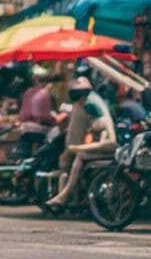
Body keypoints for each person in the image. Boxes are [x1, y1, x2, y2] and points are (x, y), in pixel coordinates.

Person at [45, 76, 116, 207]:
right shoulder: (93, 104)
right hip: (101, 147)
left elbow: (109, 144)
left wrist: (79, 148)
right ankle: (68, 195)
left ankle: (64, 195)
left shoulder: (104, 120)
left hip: (111, 149)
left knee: (80, 156)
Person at [16, 65, 58, 157]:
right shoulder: (47, 93)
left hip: (25, 128)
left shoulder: (28, 92)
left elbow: (22, 114)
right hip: (41, 129)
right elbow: (47, 117)